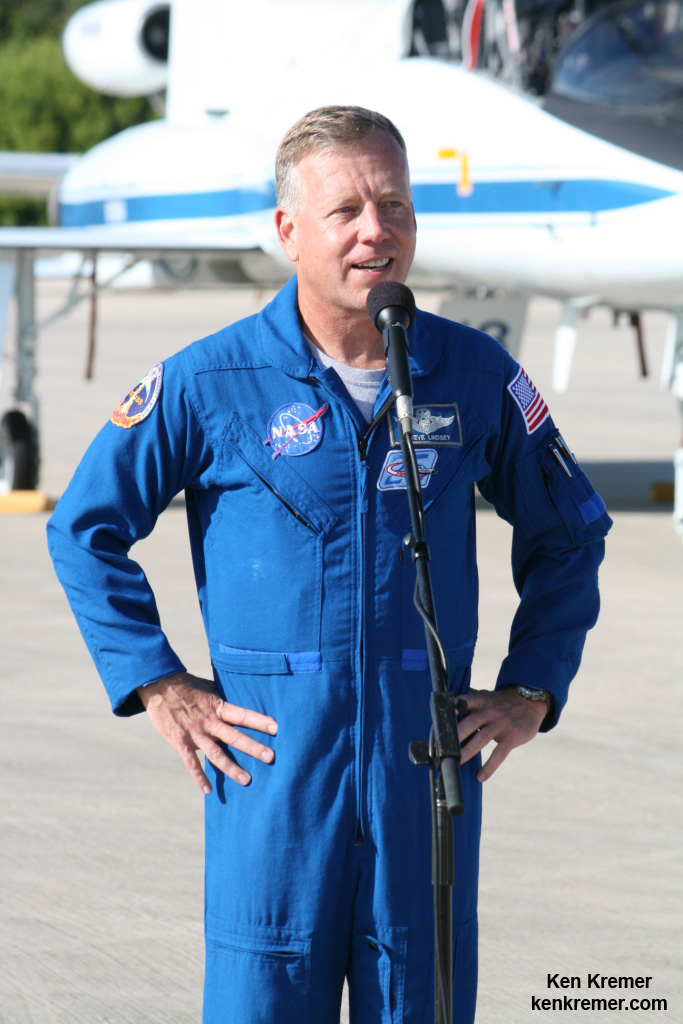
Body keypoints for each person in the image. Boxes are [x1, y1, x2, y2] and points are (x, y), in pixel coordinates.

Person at [47, 105, 611, 1024]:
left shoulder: (474, 377)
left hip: (422, 778)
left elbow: (571, 534)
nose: (373, 231)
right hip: (274, 782)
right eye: (345, 209)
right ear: (286, 232)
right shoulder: (207, 381)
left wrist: (531, 689)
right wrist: (156, 682)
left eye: (392, 204)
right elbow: (83, 528)